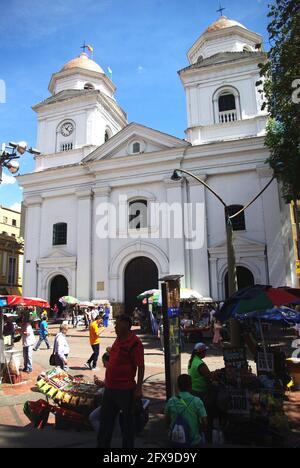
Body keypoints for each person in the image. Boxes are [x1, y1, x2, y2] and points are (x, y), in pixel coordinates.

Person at [97, 314, 145, 449]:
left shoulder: (135, 343)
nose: (115, 326)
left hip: (125, 390)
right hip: (110, 388)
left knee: (127, 425)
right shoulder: (118, 339)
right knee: (106, 423)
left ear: (125, 325)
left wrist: (138, 388)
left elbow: (140, 366)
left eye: (117, 324)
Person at [165, 374, 207, 448]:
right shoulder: (197, 401)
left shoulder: (171, 401)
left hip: (175, 439)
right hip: (193, 441)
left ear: (178, 386)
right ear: (191, 386)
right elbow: (205, 421)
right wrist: (201, 430)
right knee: (203, 439)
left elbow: (167, 420)